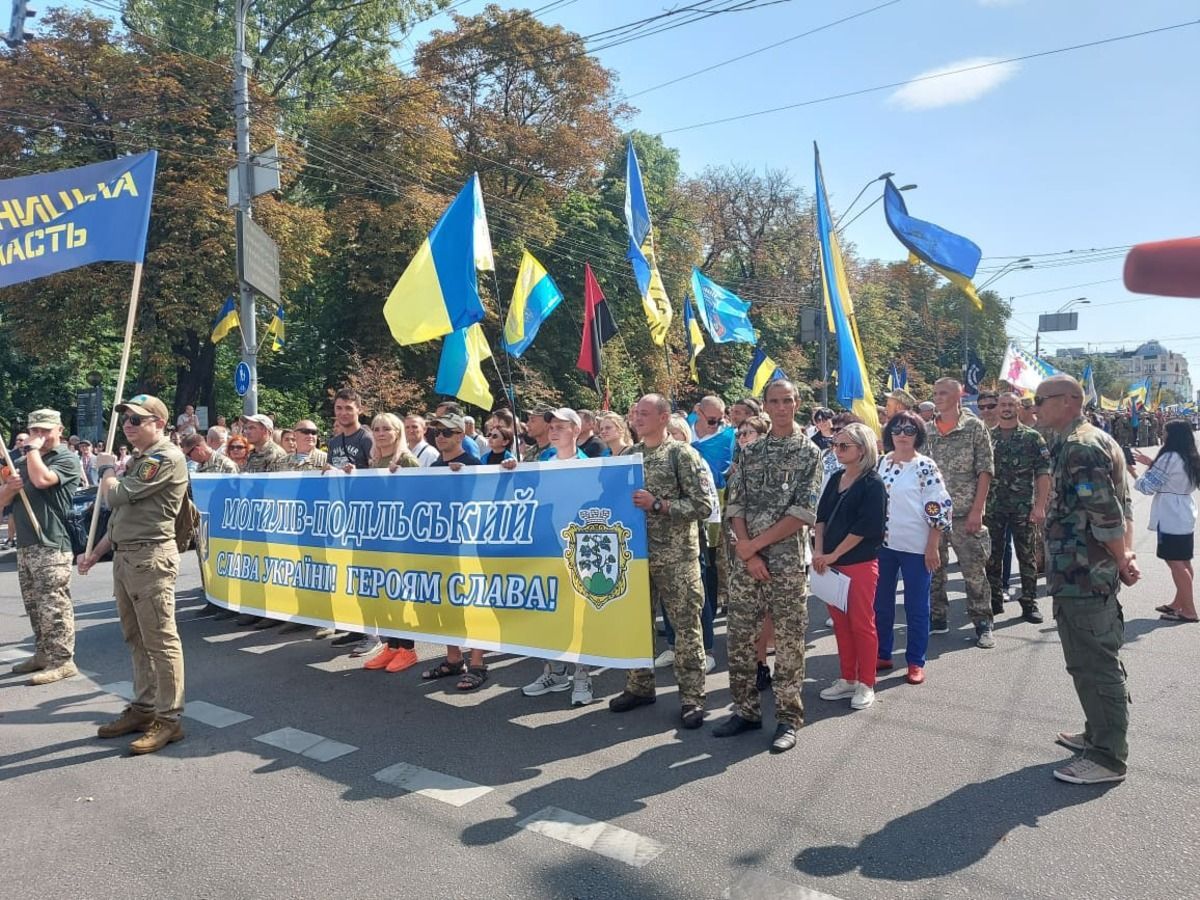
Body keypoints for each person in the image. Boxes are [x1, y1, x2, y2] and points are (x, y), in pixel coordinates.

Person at [1036, 375, 1138, 785]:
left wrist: (1122, 558)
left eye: (1041, 399)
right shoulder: (1077, 441)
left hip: (1085, 573)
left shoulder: (1081, 445)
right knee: (1084, 661)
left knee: (1097, 664)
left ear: (1069, 401)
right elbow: (1121, 506)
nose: (1035, 406)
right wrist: (1125, 554)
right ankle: (1097, 733)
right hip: (1075, 571)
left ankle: (1108, 757)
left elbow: (1108, 514)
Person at [77, 395, 190, 755]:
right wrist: (96, 552)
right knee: (135, 637)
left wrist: (106, 469)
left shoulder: (165, 457)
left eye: (136, 420)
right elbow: (123, 520)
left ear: (158, 422)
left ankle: (169, 719)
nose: (127, 424)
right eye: (125, 418)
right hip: (128, 557)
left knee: (160, 640)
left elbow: (117, 498)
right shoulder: (141, 459)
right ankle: (144, 708)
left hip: (150, 558)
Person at [715, 379, 822, 754]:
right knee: (741, 637)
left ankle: (788, 718)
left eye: (788, 401)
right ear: (765, 406)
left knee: (790, 642)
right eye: (774, 401)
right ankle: (745, 710)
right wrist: (747, 552)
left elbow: (803, 512)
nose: (781, 407)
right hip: (747, 562)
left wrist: (753, 548)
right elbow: (735, 504)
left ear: (797, 403)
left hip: (786, 563)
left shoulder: (809, 452)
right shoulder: (750, 451)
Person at [608, 394, 712, 728]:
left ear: (664, 417)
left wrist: (659, 505)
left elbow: (703, 506)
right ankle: (639, 686)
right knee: (635, 626)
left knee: (685, 628)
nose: (637, 418)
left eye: (644, 413)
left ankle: (692, 698)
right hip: (636, 557)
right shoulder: (630, 455)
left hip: (677, 559)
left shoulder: (682, 454)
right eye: (635, 412)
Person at [511, 409, 600, 706]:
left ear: (576, 430)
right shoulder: (542, 463)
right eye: (551, 426)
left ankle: (582, 676)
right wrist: (511, 470)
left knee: (580, 617)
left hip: (578, 552)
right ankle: (555, 672)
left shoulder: (592, 466)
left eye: (560, 426)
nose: (553, 431)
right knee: (550, 613)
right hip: (547, 551)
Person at [0, 409, 83, 684]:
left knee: (54, 604)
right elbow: (2, 504)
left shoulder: (66, 459)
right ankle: (43, 653)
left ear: (59, 429)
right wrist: (9, 488)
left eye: (46, 430)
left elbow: (42, 480)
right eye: (35, 430)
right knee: (35, 605)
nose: (40, 436)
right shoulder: (23, 462)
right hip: (26, 544)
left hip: (51, 542)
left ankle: (63, 660)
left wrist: (31, 451)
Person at [873, 411, 952, 685]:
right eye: (897, 429)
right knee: (881, 604)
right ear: (889, 433)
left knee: (916, 606)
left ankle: (916, 661)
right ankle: (882, 652)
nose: (903, 434)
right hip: (884, 545)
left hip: (917, 547)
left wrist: (933, 546)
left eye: (909, 429)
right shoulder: (881, 462)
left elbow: (937, 507)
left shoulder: (925, 466)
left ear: (918, 434)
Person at [814, 423, 887, 711]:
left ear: (863, 449)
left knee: (861, 624)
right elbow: (820, 518)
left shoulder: (873, 484)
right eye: (835, 445)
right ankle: (847, 678)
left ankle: (866, 683)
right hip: (829, 563)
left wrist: (832, 555)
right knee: (841, 625)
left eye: (844, 446)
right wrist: (820, 551)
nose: (837, 450)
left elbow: (865, 528)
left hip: (858, 564)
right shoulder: (835, 478)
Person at [418, 412, 491, 689]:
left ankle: (478, 663)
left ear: (461, 436)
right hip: (441, 545)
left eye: (446, 432)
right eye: (436, 432)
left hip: (469, 546)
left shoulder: (473, 464)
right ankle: (453, 658)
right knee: (447, 601)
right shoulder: (436, 465)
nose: (440, 437)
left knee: (473, 603)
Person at [925, 377, 995, 647]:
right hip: (934, 517)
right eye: (935, 392)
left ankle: (983, 622)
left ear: (958, 396)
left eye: (943, 393)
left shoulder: (974, 427)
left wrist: (978, 510)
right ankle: (938, 618)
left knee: (974, 571)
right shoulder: (927, 430)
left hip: (966, 513)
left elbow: (985, 471)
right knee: (934, 571)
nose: (938, 397)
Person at [356, 413, 422, 672]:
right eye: (376, 429)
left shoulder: (406, 459)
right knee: (383, 593)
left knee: (398, 593)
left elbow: (422, 493)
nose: (381, 433)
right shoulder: (375, 460)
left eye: (386, 429)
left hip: (400, 537)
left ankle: (407, 648)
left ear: (397, 432)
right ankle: (392, 646)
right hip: (378, 536)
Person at [986, 392, 1051, 623]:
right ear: (997, 409)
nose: (1006, 408)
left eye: (1011, 404)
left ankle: (1029, 602)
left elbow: (1043, 473)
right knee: (992, 555)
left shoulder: (1032, 438)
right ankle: (994, 600)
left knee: (1027, 555)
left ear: (1018, 408)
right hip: (993, 506)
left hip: (1024, 506)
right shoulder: (987, 437)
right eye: (1002, 405)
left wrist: (1040, 505)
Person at [1134, 420, 1200, 622]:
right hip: (1184, 511)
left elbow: (1147, 487)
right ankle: (1179, 602)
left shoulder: (1169, 457)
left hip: (1170, 514)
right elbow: (1173, 475)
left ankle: (1189, 610)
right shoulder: (1190, 456)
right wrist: (1151, 463)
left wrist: (1132, 472)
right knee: (1183, 561)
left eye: (1165, 432)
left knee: (1175, 563)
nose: (1162, 435)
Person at [327, 388, 374, 471]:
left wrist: (356, 473)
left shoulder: (367, 439)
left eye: (348, 408)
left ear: (359, 410)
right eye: (339, 408)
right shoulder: (333, 443)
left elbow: (376, 472)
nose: (343, 413)